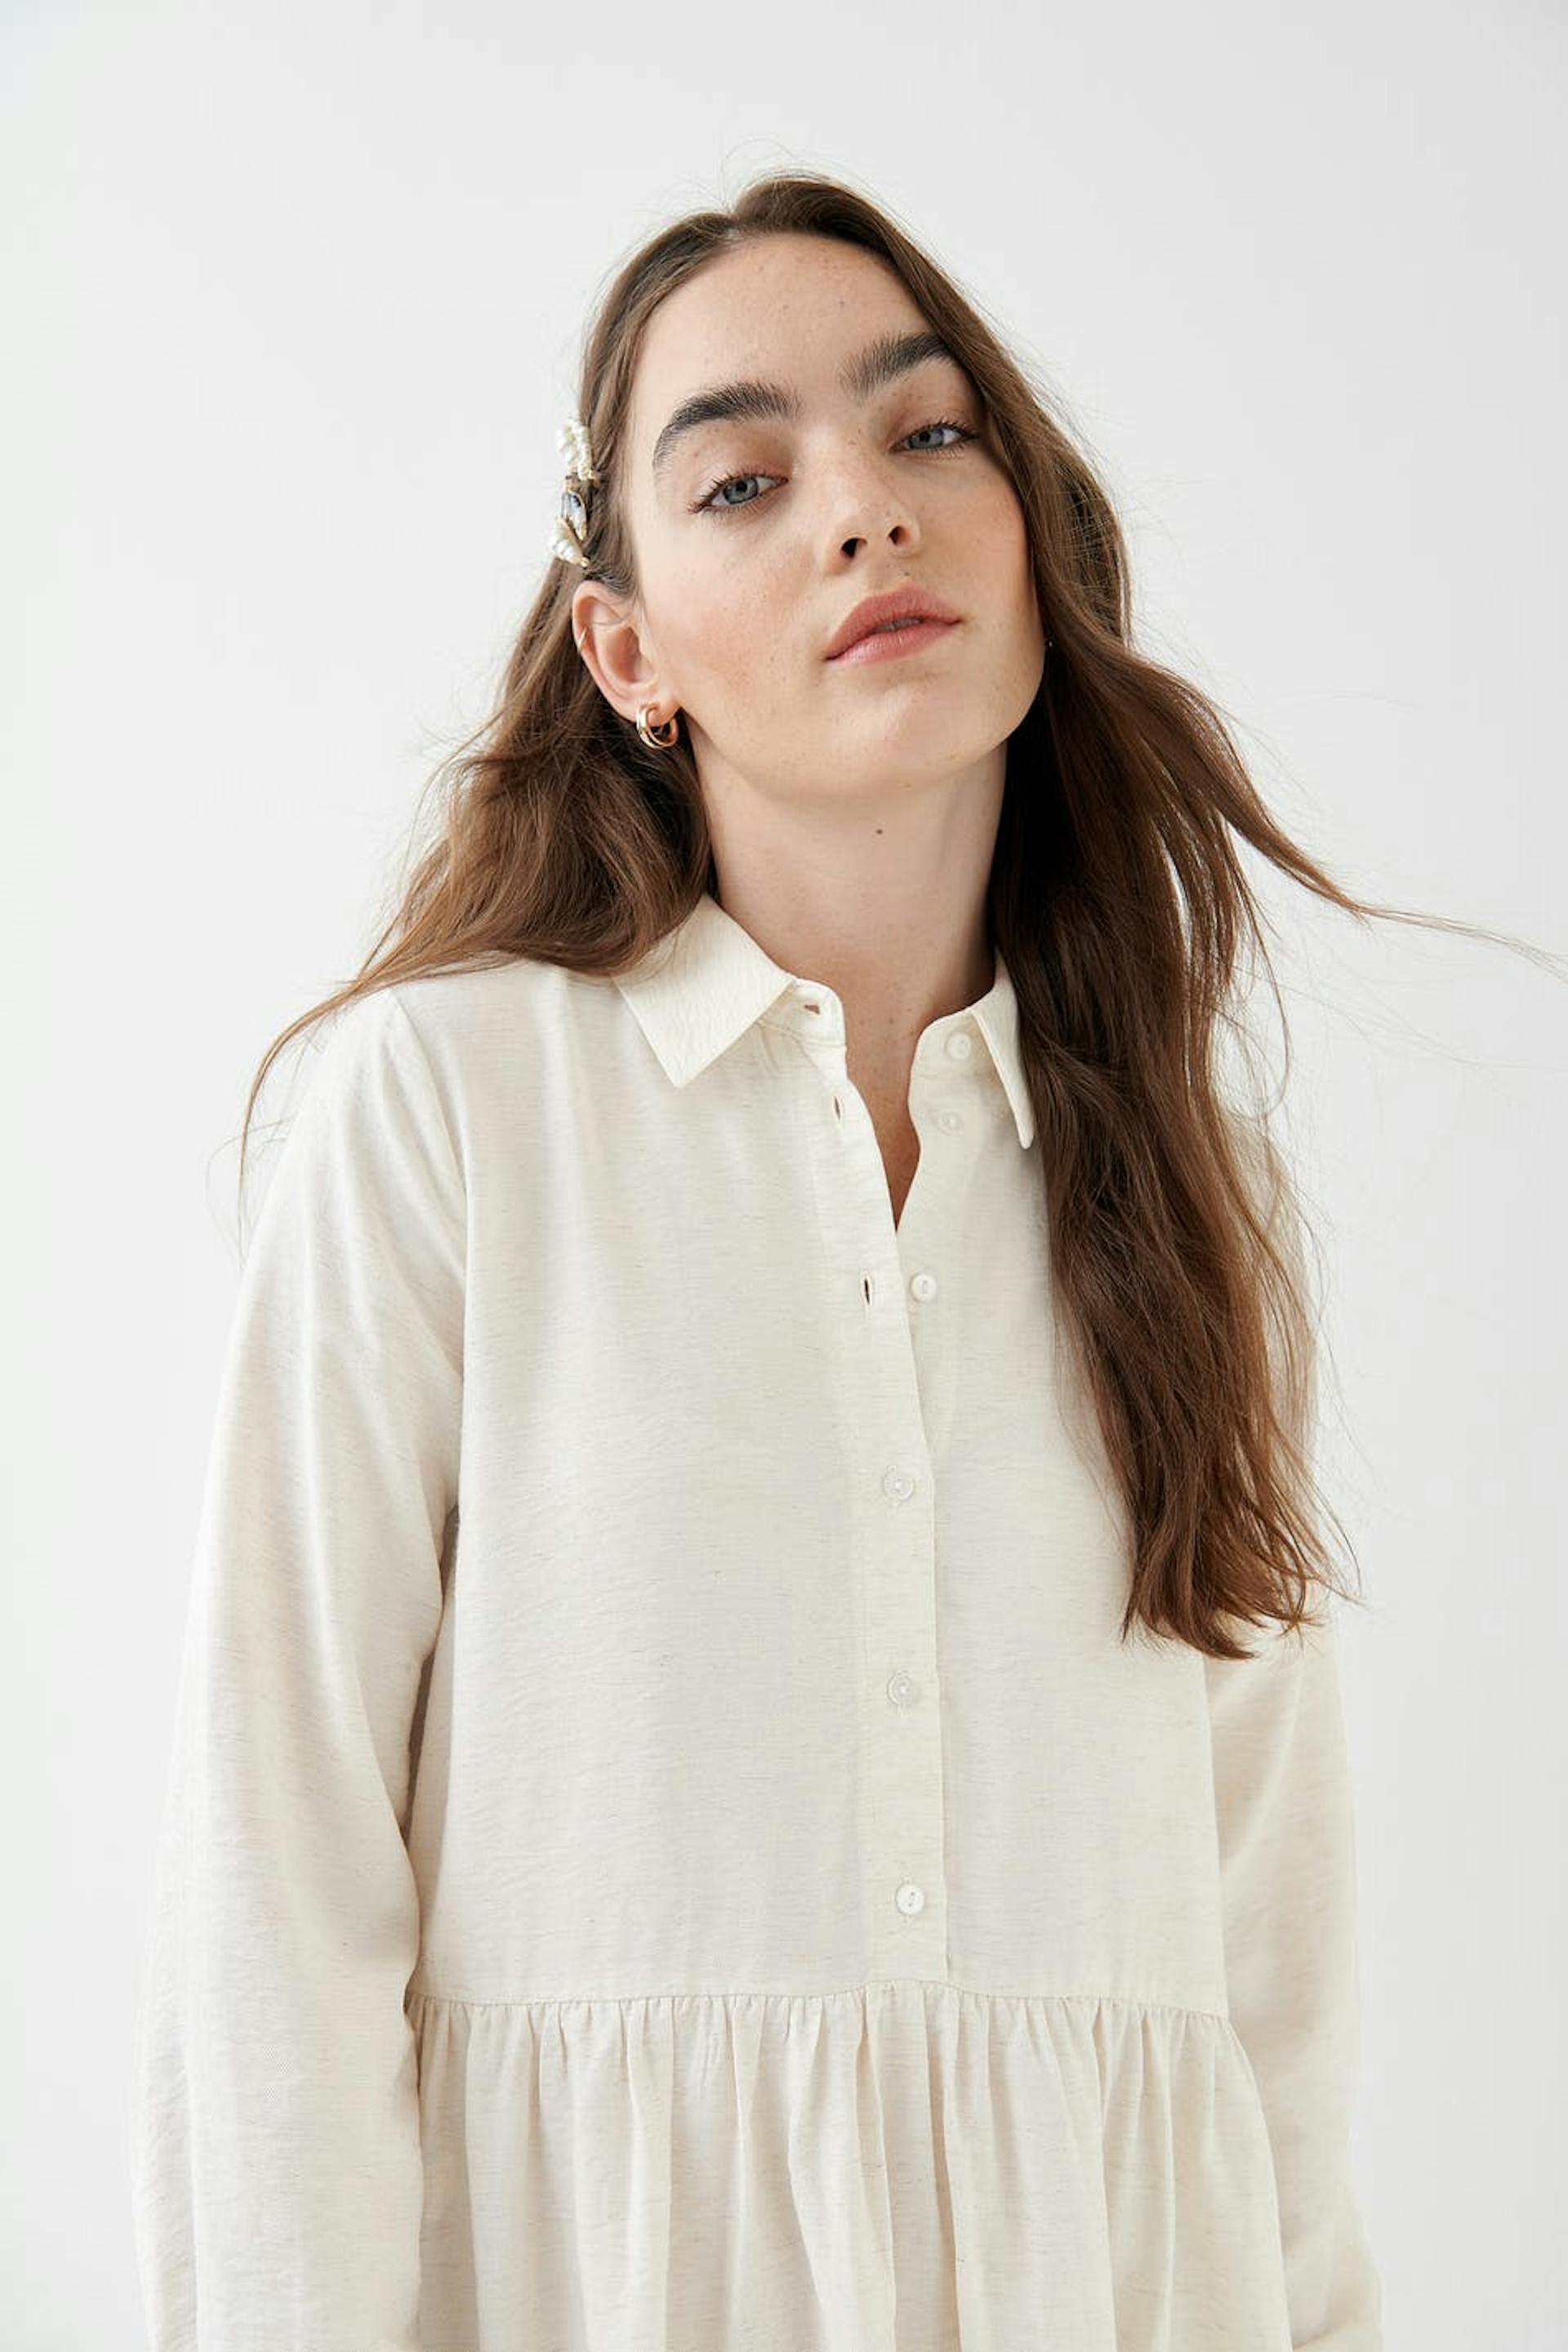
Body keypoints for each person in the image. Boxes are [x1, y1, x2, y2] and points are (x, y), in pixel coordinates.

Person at [129, 169, 1396, 2350]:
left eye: (930, 432)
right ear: (626, 652)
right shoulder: (448, 1111)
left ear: (1032, 541)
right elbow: (276, 1875)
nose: (865, 510)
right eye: (742, 478)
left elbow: (1271, 1977)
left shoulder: (1204, 1194)